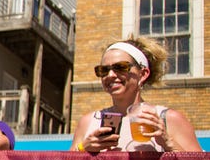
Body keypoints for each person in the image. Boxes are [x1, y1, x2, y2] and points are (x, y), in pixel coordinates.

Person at [70, 37, 202, 152]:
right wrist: (83, 149)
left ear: (143, 74)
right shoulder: (88, 121)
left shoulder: (168, 119)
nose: (110, 75)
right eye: (103, 70)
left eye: (120, 67)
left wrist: (168, 143)